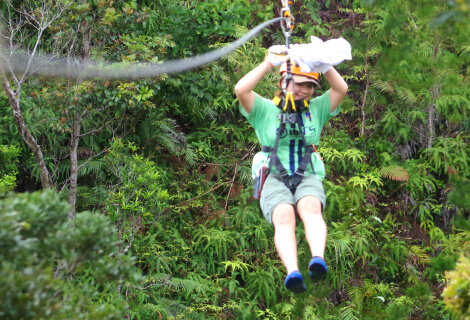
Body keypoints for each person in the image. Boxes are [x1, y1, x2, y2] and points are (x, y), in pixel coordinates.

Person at [234, 38, 349, 294]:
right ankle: (293, 272)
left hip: (306, 172)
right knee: (283, 215)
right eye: (300, 84)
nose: (305, 90)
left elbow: (341, 89)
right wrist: (268, 64)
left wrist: (324, 63)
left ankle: (317, 259)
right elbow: (241, 90)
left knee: (310, 207)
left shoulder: (316, 109)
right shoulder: (263, 109)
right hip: (273, 174)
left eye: (310, 85)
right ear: (284, 82)